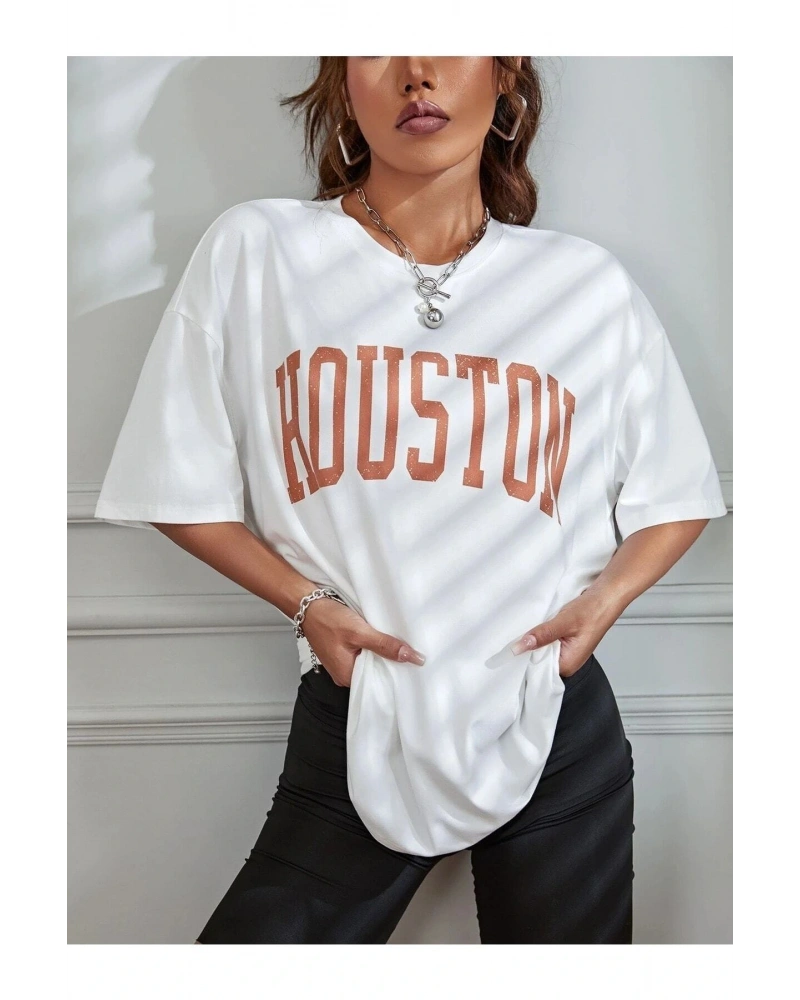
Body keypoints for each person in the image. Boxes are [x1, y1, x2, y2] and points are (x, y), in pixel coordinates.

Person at [93, 57, 729, 944]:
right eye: (380, 42)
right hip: (361, 703)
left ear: (505, 76)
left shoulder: (583, 286)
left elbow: (677, 493)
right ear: (342, 82)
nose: (417, 73)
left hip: (552, 718)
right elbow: (173, 482)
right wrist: (308, 606)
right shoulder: (260, 250)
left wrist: (600, 606)